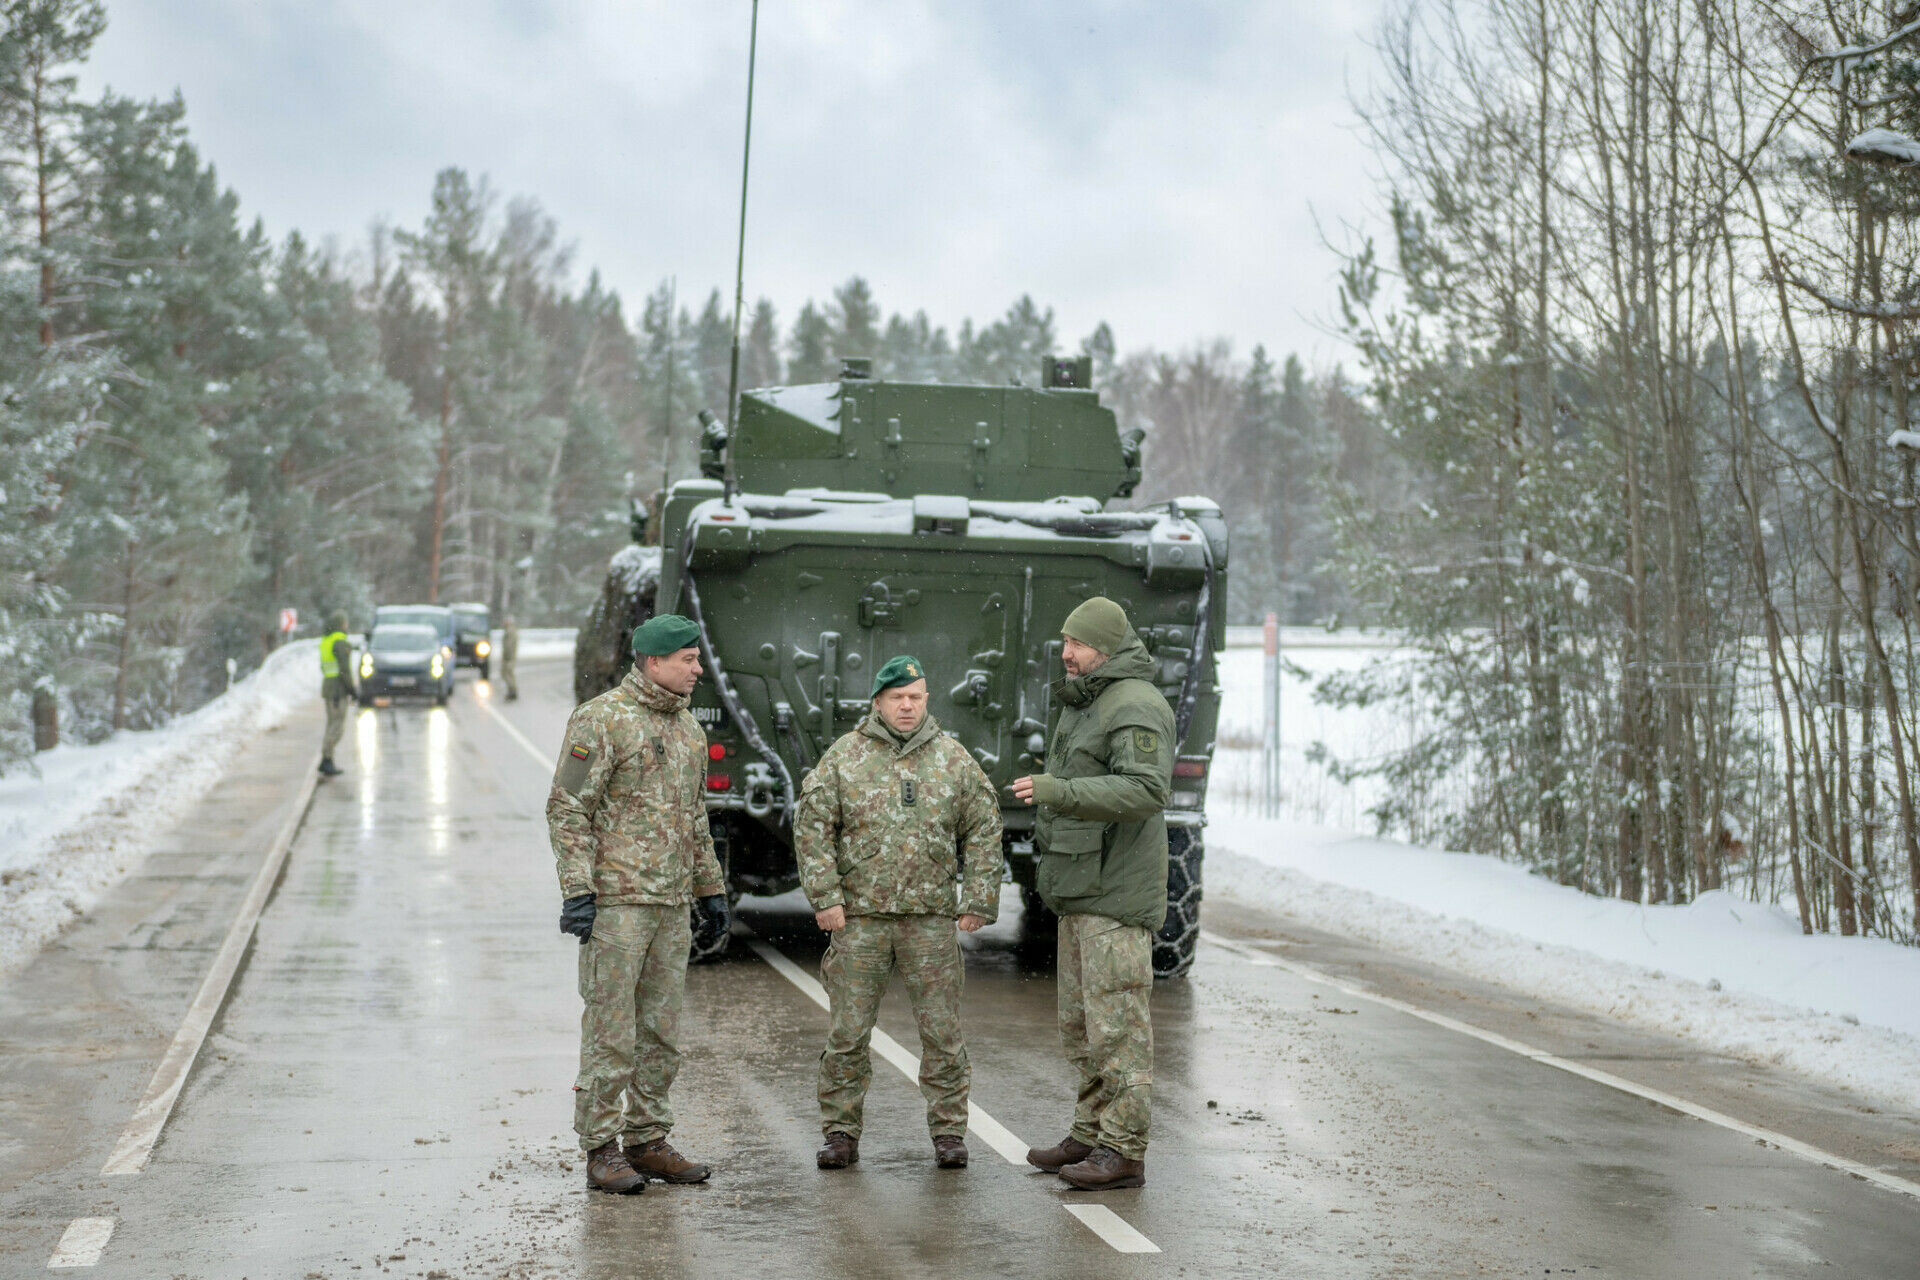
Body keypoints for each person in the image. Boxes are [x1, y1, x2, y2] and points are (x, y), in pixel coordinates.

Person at [546, 613, 732, 1195]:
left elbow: (695, 818)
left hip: (671, 905)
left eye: (697, 660)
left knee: (661, 1031)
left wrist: (710, 888)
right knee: (611, 1033)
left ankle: (647, 1140)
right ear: (653, 662)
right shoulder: (601, 720)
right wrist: (578, 889)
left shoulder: (689, 732)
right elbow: (567, 808)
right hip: (618, 905)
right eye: (688, 659)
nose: (698, 669)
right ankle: (601, 1148)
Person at [797, 655, 1002, 1171]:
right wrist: (826, 897)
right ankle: (840, 1133)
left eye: (915, 697)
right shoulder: (845, 757)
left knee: (942, 1034)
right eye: (897, 698)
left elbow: (983, 826)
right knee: (848, 1033)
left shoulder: (953, 760)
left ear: (927, 700)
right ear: (878, 704)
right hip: (860, 920)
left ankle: (950, 1132)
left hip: (930, 921)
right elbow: (813, 825)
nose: (906, 706)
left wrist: (978, 898)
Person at [1012, 597, 1174, 1190]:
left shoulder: (1133, 704)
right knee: (1081, 1027)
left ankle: (1124, 1150)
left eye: (1076, 643)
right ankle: (1090, 1131)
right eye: (1065, 641)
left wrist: (1059, 789)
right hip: (1082, 890)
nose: (1066, 652)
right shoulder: (1089, 702)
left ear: (1102, 647)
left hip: (1115, 893)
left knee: (1119, 1029)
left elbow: (1146, 790)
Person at [318, 612, 356, 777]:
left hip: (328, 687)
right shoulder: (340, 642)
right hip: (337, 690)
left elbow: (324, 667)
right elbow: (344, 670)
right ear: (341, 625)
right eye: (345, 623)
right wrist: (352, 689)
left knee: (331, 724)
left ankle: (327, 759)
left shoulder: (326, 641)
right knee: (337, 727)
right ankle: (327, 759)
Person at [499, 613, 519, 701]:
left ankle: (512, 691)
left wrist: (506, 656)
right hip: (510, 656)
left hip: (509, 657)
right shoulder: (511, 630)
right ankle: (512, 690)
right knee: (508, 674)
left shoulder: (509, 631)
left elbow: (509, 645)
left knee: (507, 674)